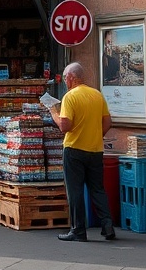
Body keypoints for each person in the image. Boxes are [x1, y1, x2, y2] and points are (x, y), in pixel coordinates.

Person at [47, 61, 116, 242]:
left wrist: (53, 113)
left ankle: (78, 230)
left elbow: (64, 126)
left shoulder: (70, 97)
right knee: (97, 189)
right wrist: (96, 135)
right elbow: (107, 122)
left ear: (71, 77)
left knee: (75, 190)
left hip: (74, 150)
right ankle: (108, 226)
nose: (64, 81)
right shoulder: (97, 95)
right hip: (95, 150)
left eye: (65, 78)